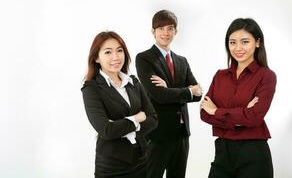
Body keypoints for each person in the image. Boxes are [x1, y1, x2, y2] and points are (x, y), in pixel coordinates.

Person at [200, 18, 276, 178]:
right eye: (232, 42)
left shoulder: (266, 76)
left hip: (253, 154)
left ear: (257, 43)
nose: (238, 48)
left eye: (245, 41)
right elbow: (204, 114)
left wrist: (216, 111)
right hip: (222, 152)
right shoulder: (220, 76)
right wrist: (242, 114)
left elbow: (254, 118)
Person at [81, 31, 158, 178]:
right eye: (108, 52)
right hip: (112, 165)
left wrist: (121, 126)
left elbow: (153, 119)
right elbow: (106, 130)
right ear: (97, 57)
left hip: (141, 159)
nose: (115, 57)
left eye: (119, 50)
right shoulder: (91, 88)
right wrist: (137, 119)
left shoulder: (133, 82)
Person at [136, 10, 202, 178]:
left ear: (176, 31)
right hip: (158, 134)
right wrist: (186, 91)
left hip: (182, 134)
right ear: (153, 31)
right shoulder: (144, 59)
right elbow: (159, 95)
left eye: (170, 28)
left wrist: (171, 90)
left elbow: (199, 93)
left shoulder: (182, 61)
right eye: (161, 28)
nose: (166, 33)